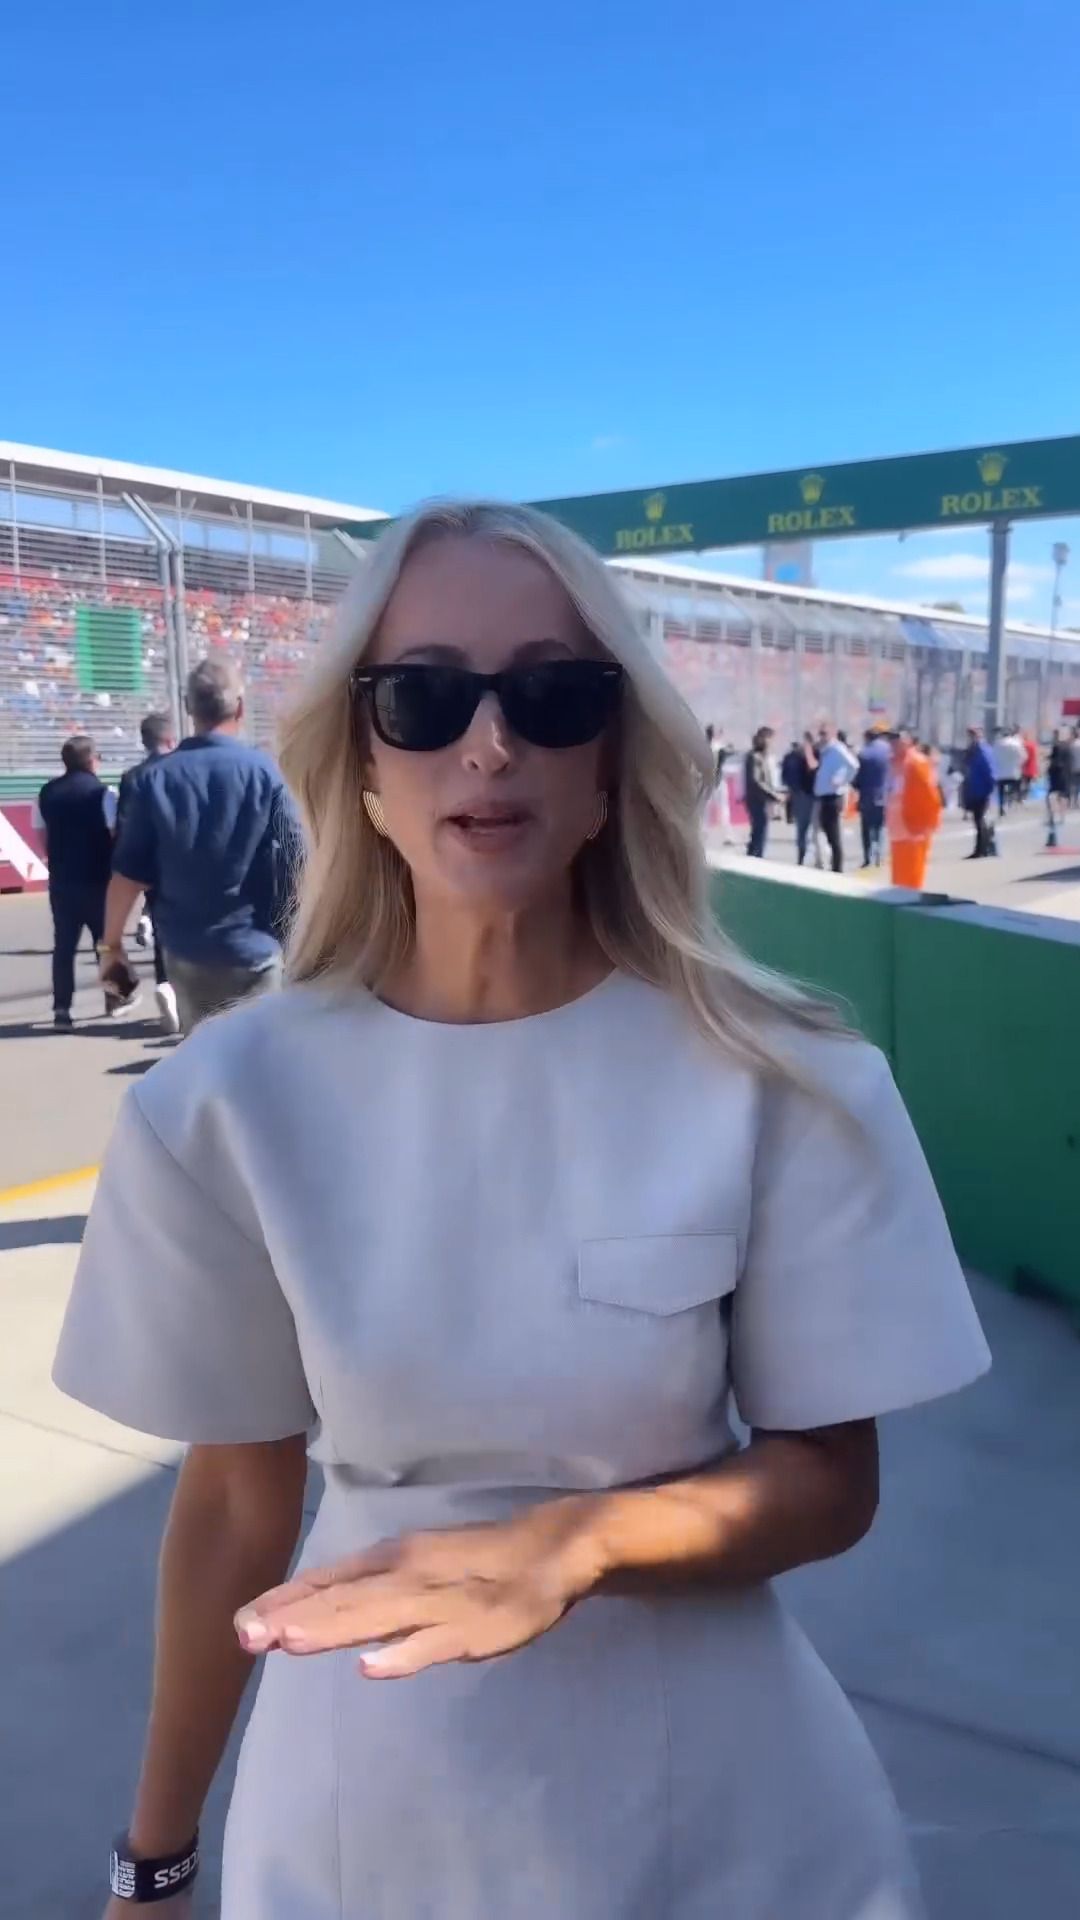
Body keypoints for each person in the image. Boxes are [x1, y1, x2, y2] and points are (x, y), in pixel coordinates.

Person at [54, 501, 990, 1920]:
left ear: (613, 763)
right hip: (365, 1798)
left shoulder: (784, 1081)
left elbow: (829, 1480)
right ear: (363, 765)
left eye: (553, 699)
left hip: (725, 1806)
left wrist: (575, 1545)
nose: (489, 746)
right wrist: (156, 1859)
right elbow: (236, 1504)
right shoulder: (221, 1106)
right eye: (424, 700)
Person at [101, 658, 302, 1035]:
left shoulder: (154, 780)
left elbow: (127, 876)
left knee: (201, 1052)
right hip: (254, 947)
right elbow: (299, 861)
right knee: (261, 1055)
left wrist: (111, 948)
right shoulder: (265, 773)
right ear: (240, 708)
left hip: (186, 950)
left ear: (188, 708)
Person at [35, 735, 119, 1030]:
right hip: (98, 881)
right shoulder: (104, 793)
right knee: (105, 944)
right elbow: (113, 834)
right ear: (92, 760)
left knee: (64, 947)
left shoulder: (46, 792)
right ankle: (114, 999)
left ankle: (62, 1009)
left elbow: (41, 835)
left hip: (62, 882)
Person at [117, 712, 179, 1034]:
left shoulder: (131, 777)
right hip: (183, 862)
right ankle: (188, 992)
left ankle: (165, 985)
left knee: (161, 931)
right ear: (170, 739)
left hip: (149, 866)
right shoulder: (181, 770)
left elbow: (124, 826)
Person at [887, 729, 943, 890]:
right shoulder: (894, 763)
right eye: (891, 741)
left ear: (908, 742)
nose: (894, 745)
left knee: (912, 876)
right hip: (897, 828)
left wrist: (930, 822)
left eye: (897, 741)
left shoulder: (917, 762)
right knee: (899, 878)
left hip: (914, 828)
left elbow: (931, 795)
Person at [812, 722, 859, 874]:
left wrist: (843, 780)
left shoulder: (837, 749)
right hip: (823, 796)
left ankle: (837, 869)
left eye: (825, 734)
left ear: (832, 734)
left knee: (834, 835)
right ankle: (832, 865)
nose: (822, 737)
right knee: (825, 832)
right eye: (820, 734)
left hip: (833, 796)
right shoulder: (825, 750)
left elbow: (854, 765)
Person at [853, 727, 890, 870]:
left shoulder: (864, 753)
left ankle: (867, 857)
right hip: (884, 795)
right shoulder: (888, 751)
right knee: (880, 827)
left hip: (867, 795)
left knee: (866, 828)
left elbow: (858, 777)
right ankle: (879, 855)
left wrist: (855, 785)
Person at [743, 724, 781, 857]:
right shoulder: (755, 757)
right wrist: (774, 795)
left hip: (762, 800)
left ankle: (755, 858)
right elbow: (756, 781)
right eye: (769, 739)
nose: (771, 743)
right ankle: (754, 859)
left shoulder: (764, 756)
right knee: (759, 832)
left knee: (760, 831)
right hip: (756, 799)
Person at [961, 726, 996, 858]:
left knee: (979, 819)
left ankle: (982, 848)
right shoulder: (975, 749)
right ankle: (983, 847)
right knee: (978, 819)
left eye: (973, 735)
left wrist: (990, 786)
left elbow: (989, 769)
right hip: (975, 788)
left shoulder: (981, 750)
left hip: (981, 788)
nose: (971, 738)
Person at [704, 722, 732, 844]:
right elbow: (730, 751)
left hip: (707, 782)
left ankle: (703, 834)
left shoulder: (704, 747)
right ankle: (727, 835)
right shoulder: (720, 748)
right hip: (718, 782)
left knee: (705, 809)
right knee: (723, 809)